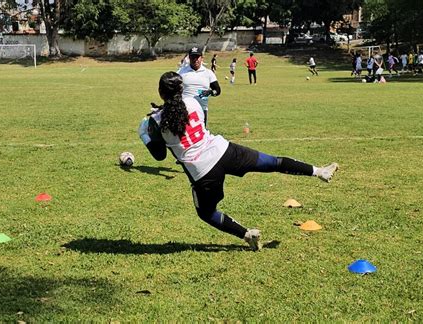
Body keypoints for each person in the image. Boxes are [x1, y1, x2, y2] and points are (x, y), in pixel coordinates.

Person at [138, 71, 340, 251]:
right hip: (224, 151)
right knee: (272, 162)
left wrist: (145, 135)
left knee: (207, 213)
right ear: (182, 89)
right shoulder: (192, 103)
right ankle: (319, 171)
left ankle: (247, 234)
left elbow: (160, 156)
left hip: (203, 172)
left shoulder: (156, 121)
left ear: (160, 92)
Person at [177, 46, 221, 126]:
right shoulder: (181, 72)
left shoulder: (208, 73)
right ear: (189, 58)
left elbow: (217, 90)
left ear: (202, 58)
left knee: (200, 135)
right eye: (193, 57)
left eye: (197, 57)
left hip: (201, 109)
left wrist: (210, 92)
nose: (195, 59)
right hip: (185, 109)